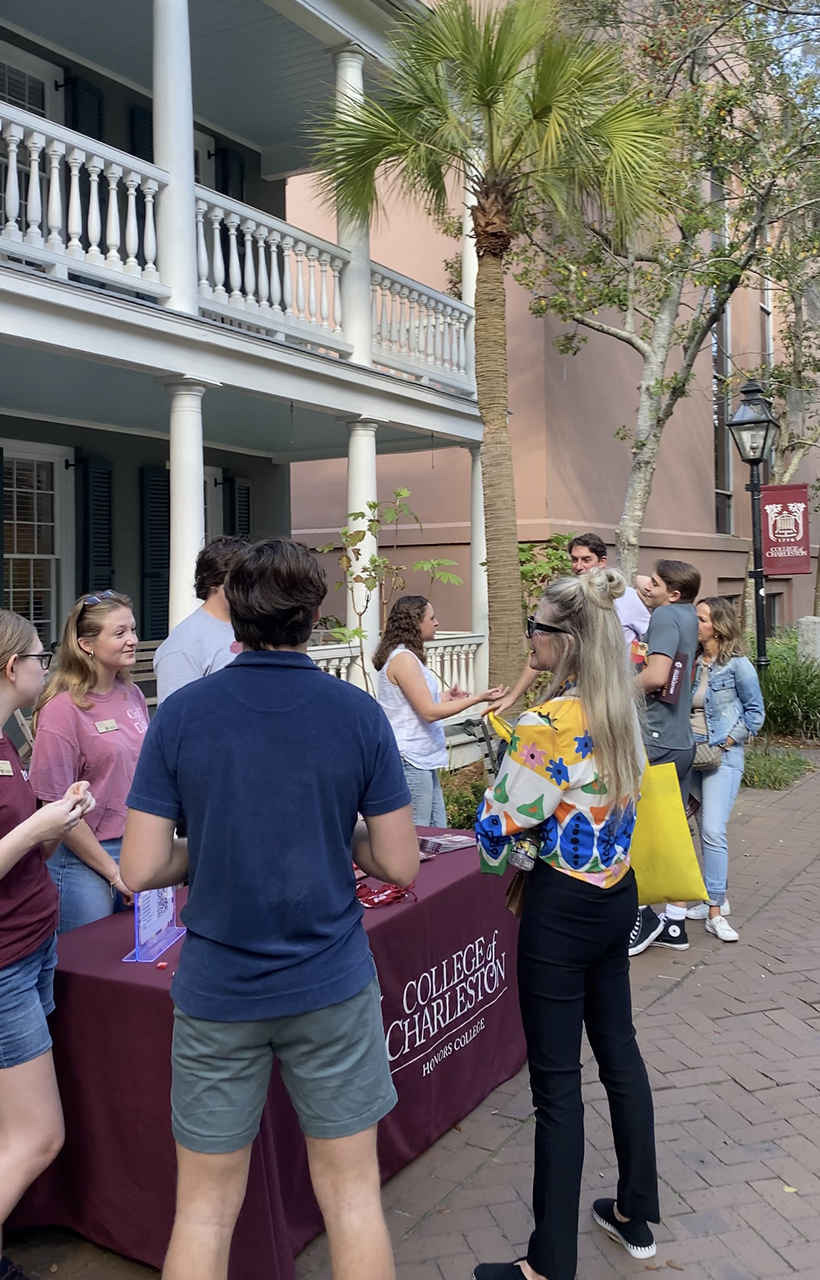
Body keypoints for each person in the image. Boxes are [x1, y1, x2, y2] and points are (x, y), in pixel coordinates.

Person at [119, 538, 419, 1280]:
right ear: (315, 616)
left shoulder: (183, 714)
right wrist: (331, 828)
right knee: (352, 1200)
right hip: (330, 985)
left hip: (219, 989)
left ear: (234, 617)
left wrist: (212, 845)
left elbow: (142, 868)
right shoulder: (355, 713)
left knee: (204, 1212)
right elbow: (400, 862)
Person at [473, 569, 659, 1280]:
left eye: (537, 631)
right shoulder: (620, 711)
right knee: (621, 1054)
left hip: (561, 910)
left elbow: (498, 829)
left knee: (556, 1086)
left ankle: (548, 1263)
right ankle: (636, 1212)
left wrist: (497, 814)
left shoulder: (545, 724)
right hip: (617, 895)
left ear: (567, 641)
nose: (530, 641)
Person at [0, 610, 95, 1280]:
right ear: (13, 667)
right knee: (40, 1136)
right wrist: (39, 824)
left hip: (30, 946)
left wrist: (59, 817)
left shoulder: (9, 738)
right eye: (39, 655)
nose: (46, 664)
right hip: (4, 964)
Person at [29, 591, 148, 933]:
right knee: (87, 962)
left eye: (133, 630)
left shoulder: (132, 694)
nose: (133, 641)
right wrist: (113, 873)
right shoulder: (62, 710)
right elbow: (55, 804)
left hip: (134, 847)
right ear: (86, 644)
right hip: (82, 858)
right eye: (120, 633)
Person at [373, 595, 505, 826]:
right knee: (420, 835)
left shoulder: (408, 657)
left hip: (421, 758)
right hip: (410, 757)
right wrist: (477, 699)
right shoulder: (403, 659)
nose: (436, 623)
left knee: (438, 831)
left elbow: (414, 702)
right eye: (431, 618)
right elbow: (429, 712)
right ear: (416, 622)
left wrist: (447, 697)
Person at [490, 532, 649, 717]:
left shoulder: (626, 597)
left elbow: (650, 641)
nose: (579, 566)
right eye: (574, 560)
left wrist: (635, 682)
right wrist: (513, 697)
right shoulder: (566, 599)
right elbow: (540, 643)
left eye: (586, 560)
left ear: (602, 561)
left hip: (614, 694)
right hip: (574, 694)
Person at [628, 560, 701, 956]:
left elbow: (656, 676)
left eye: (654, 583)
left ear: (672, 592)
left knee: (642, 830)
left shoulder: (665, 616)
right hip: (680, 739)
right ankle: (676, 924)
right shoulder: (688, 613)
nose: (647, 586)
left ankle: (642, 917)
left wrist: (613, 690)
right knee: (675, 831)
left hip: (654, 740)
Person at [685, 597, 764, 943]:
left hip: (721, 757)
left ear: (716, 626)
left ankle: (715, 911)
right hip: (690, 755)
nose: (695, 623)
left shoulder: (738, 665)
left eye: (700, 619)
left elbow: (755, 713)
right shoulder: (690, 662)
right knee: (701, 828)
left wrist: (727, 742)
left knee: (713, 832)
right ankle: (710, 895)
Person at [154, 536, 246, 703]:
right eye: (240, 578)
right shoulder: (184, 645)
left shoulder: (253, 627)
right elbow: (176, 717)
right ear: (213, 580)